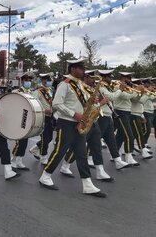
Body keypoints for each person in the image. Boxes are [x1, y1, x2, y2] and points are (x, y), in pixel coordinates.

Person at [39, 58, 106, 197]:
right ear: (73, 69)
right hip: (67, 123)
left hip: (79, 124)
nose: (83, 71)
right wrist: (74, 114)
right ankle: (45, 176)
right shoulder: (65, 84)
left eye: (83, 68)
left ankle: (87, 184)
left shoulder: (80, 85)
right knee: (59, 151)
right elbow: (57, 104)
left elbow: (83, 104)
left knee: (81, 154)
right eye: (80, 68)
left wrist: (92, 101)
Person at [61, 70, 114, 181]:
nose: (93, 80)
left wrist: (98, 103)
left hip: (93, 121)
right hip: (85, 120)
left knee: (96, 146)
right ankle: (65, 165)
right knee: (80, 148)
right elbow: (86, 107)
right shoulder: (81, 88)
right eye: (91, 78)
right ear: (85, 77)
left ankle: (100, 171)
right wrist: (100, 103)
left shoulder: (91, 89)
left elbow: (93, 105)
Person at [97, 69, 129, 169]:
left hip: (109, 115)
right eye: (109, 77)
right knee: (95, 139)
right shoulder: (101, 87)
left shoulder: (107, 87)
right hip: (102, 116)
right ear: (104, 77)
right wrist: (120, 89)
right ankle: (88, 157)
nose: (111, 78)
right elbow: (112, 97)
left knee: (111, 141)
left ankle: (118, 161)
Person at [113, 72, 142, 166]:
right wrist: (136, 90)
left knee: (120, 135)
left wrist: (140, 93)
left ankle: (114, 155)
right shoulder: (117, 86)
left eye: (129, 78)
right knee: (129, 135)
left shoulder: (130, 89)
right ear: (122, 78)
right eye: (127, 78)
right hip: (120, 111)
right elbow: (126, 97)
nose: (129, 80)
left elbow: (135, 100)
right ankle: (129, 157)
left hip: (127, 112)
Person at [10, 72, 36, 171]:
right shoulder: (17, 91)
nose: (28, 82)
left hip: (28, 119)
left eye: (30, 81)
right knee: (19, 142)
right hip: (18, 118)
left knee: (25, 142)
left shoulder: (31, 92)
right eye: (26, 80)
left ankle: (19, 161)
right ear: (22, 81)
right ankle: (13, 160)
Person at [29, 73, 54, 165]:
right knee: (45, 138)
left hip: (50, 117)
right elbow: (33, 105)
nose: (50, 82)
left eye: (50, 80)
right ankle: (43, 156)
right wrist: (44, 110)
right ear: (44, 80)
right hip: (42, 117)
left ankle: (35, 149)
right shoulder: (38, 91)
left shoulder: (49, 90)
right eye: (48, 80)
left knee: (50, 137)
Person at [129, 78, 152, 159]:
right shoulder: (132, 92)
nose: (142, 86)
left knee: (132, 134)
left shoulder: (138, 92)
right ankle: (143, 151)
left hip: (138, 114)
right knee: (139, 133)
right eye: (140, 84)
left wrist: (142, 116)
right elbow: (140, 101)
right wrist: (146, 94)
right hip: (133, 114)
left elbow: (140, 105)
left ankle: (127, 151)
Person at [142, 78, 155, 149]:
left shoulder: (149, 91)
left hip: (150, 111)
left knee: (147, 130)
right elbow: (150, 98)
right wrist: (150, 91)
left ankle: (144, 143)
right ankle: (141, 144)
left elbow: (153, 97)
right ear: (145, 83)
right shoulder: (144, 90)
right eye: (148, 83)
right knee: (147, 130)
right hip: (145, 111)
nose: (150, 85)